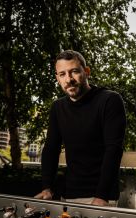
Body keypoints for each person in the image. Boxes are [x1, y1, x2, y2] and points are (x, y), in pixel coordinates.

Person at [34, 50, 126, 206]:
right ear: (57, 78)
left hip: (101, 196)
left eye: (74, 71)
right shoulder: (58, 107)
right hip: (69, 193)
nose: (68, 79)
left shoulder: (109, 100)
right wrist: (47, 187)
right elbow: (51, 148)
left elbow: (114, 150)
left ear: (87, 72)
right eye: (62, 74)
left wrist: (102, 196)